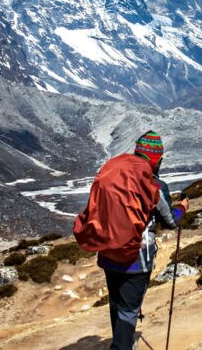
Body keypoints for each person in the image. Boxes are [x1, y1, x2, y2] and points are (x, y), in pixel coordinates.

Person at [73, 131, 188, 350]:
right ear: (157, 160)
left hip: (108, 253)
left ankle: (120, 343)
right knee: (129, 309)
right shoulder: (154, 185)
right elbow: (171, 221)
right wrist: (182, 208)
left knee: (116, 305)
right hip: (137, 258)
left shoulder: (114, 174)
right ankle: (122, 346)